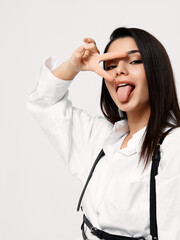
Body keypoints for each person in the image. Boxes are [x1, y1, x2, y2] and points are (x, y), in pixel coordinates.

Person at [26, 27, 180, 240]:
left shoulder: (173, 146)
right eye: (111, 65)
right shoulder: (100, 138)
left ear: (157, 71)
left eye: (135, 61)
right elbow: (44, 103)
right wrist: (73, 66)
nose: (119, 71)